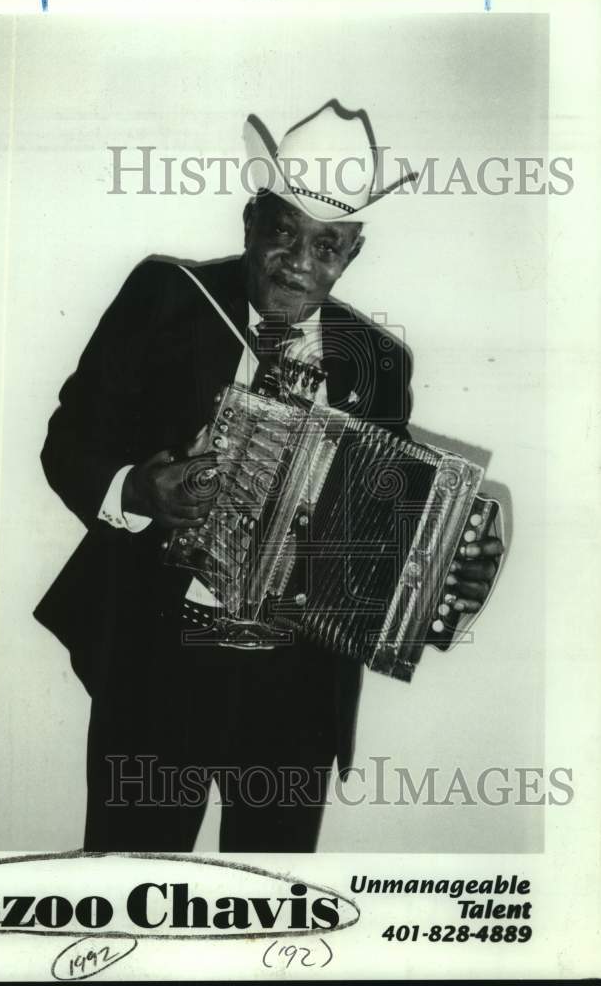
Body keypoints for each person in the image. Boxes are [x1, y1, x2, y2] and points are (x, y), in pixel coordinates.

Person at [33, 101, 503, 852]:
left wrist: (448, 573)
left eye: (327, 247)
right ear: (251, 219)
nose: (298, 263)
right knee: (130, 886)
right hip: (160, 664)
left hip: (298, 687)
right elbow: (69, 441)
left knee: (272, 911)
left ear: (352, 253)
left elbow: (379, 525)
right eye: (282, 233)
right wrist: (135, 489)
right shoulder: (167, 297)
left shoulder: (380, 361)